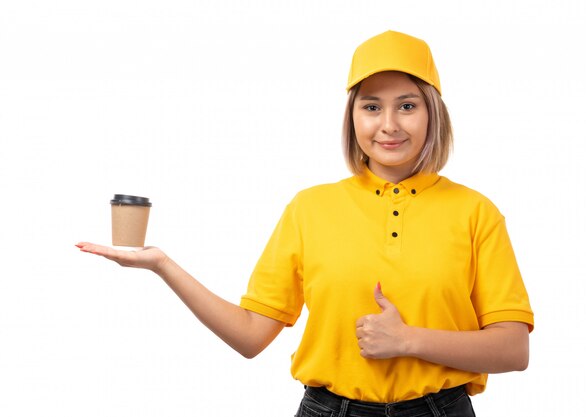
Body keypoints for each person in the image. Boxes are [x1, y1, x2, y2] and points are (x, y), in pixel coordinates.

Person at [77, 30, 533, 417]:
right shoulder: (310, 208)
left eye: (407, 105)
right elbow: (251, 336)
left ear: (433, 112)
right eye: (371, 107)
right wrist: (162, 265)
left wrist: (408, 340)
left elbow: (513, 349)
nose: (389, 124)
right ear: (352, 115)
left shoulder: (476, 212)